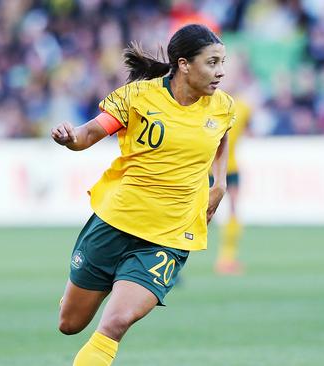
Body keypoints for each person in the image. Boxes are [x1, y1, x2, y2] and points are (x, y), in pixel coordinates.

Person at [52, 24, 233, 365]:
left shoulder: (222, 106)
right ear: (183, 64)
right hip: (116, 222)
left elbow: (222, 136)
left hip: (169, 236)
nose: (220, 71)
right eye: (212, 62)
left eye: (223, 61)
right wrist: (70, 137)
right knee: (70, 324)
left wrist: (219, 182)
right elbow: (90, 133)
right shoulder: (138, 97)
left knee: (116, 322)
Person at [213, 98, 251, 275]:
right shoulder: (209, 102)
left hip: (232, 166)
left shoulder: (244, 106)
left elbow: (248, 130)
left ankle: (227, 258)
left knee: (234, 210)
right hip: (212, 168)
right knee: (202, 213)